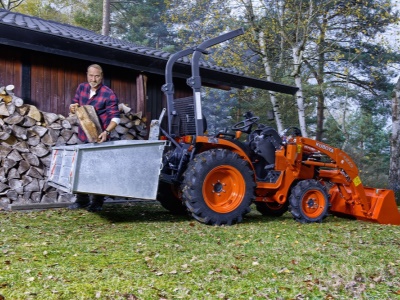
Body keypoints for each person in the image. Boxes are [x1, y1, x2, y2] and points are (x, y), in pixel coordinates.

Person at [68, 64, 120, 212]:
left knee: (98, 170)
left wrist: (107, 132)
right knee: (80, 168)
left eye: (97, 76)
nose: (93, 79)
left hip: (100, 138)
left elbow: (116, 118)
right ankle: (81, 200)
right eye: (91, 75)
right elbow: (75, 104)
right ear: (87, 75)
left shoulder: (108, 94)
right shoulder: (82, 88)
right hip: (84, 135)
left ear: (101, 76)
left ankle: (97, 202)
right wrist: (72, 107)